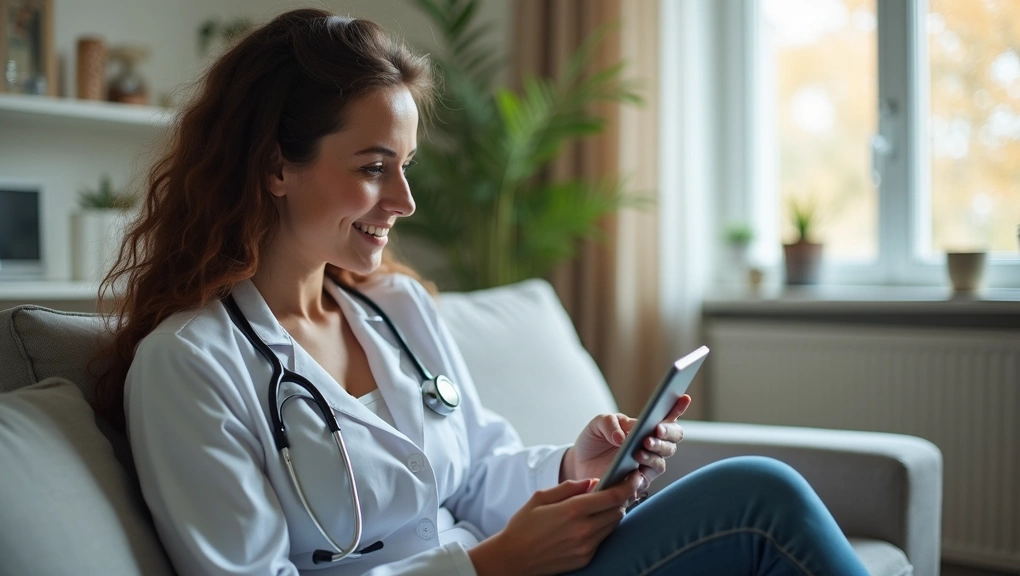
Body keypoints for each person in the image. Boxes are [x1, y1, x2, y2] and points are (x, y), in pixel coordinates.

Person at [97, 9, 872, 576]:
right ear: (275, 167)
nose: (403, 201)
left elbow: (476, 471)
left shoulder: (395, 310)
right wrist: (486, 567)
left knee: (761, 496)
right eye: (373, 168)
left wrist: (574, 465)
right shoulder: (190, 365)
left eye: (404, 167)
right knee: (757, 499)